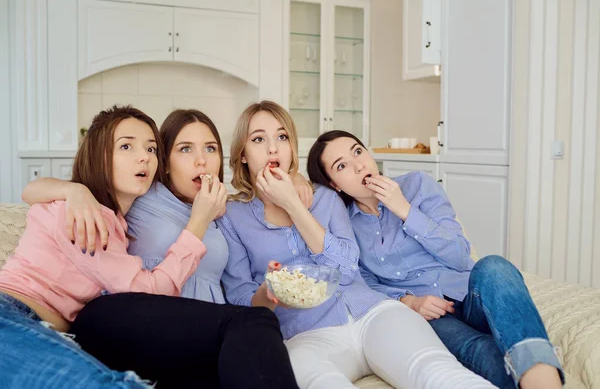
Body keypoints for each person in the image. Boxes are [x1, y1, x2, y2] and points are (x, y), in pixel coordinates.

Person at [219, 100, 496, 389]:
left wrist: (293, 206)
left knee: (436, 371)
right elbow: (240, 299)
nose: (273, 148)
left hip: (375, 313)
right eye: (259, 139)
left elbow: (347, 268)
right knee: (318, 381)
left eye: (282, 137)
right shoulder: (231, 217)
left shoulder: (326, 198)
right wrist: (268, 293)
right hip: (306, 334)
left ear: (292, 149)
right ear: (243, 155)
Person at [20, 107, 299, 389]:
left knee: (248, 337)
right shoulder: (143, 195)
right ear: (164, 163)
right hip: (134, 322)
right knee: (254, 324)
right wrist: (74, 190)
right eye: (186, 149)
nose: (201, 161)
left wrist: (297, 181)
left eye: (210, 149)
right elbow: (37, 190)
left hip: (201, 333)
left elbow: (240, 287)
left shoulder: (219, 209)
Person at [306, 129, 565, 389]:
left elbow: (461, 256)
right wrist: (408, 301)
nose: (359, 165)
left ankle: (544, 379)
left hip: (469, 294)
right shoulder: (345, 225)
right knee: (479, 350)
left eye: (358, 151)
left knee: (495, 266)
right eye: (342, 165)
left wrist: (405, 210)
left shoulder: (417, 185)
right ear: (334, 185)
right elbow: (364, 283)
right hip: (431, 316)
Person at [0, 105, 187, 388]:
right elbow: (149, 291)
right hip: (10, 313)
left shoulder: (111, 222)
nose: (144, 158)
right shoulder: (87, 216)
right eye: (126, 146)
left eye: (151, 149)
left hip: (40, 327)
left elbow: (32, 190)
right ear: (100, 157)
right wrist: (196, 228)